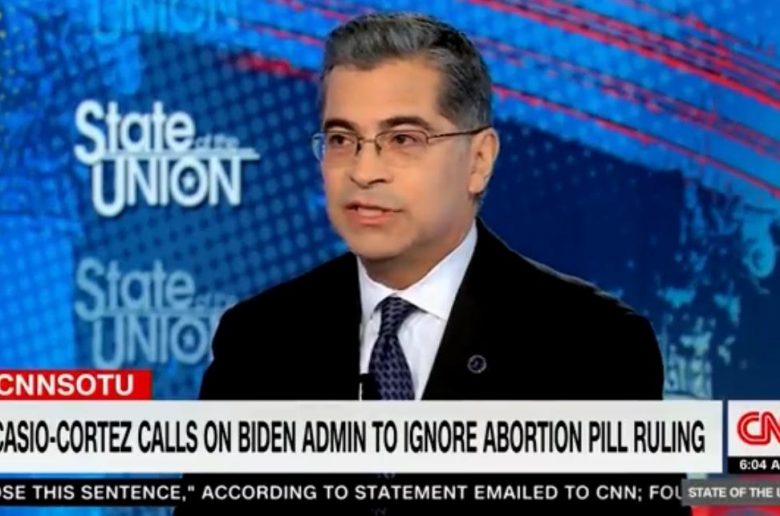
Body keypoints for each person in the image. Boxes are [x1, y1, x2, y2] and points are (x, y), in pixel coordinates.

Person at [174, 11, 691, 515]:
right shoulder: (258, 342)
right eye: (341, 139)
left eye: (403, 139)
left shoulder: (593, 348)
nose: (364, 170)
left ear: (479, 160)